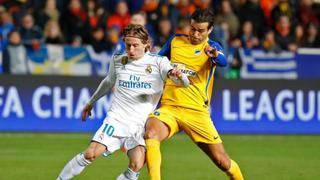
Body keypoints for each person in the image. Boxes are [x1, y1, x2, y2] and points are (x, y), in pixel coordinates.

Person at [56, 24, 189, 180]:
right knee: (90, 154)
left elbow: (184, 83)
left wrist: (180, 76)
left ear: (147, 45)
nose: (131, 49)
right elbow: (108, 82)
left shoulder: (159, 62)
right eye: (128, 45)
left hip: (140, 124)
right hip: (117, 119)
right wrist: (91, 102)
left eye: (135, 45)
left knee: (137, 164)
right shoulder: (118, 59)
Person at [144, 9, 244, 180]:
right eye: (193, 29)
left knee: (222, 161)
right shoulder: (175, 41)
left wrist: (214, 55)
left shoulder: (212, 48)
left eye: (201, 31)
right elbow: (156, 62)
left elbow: (223, 61)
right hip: (170, 109)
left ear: (210, 30)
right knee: (151, 133)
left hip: (197, 113)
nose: (195, 34)